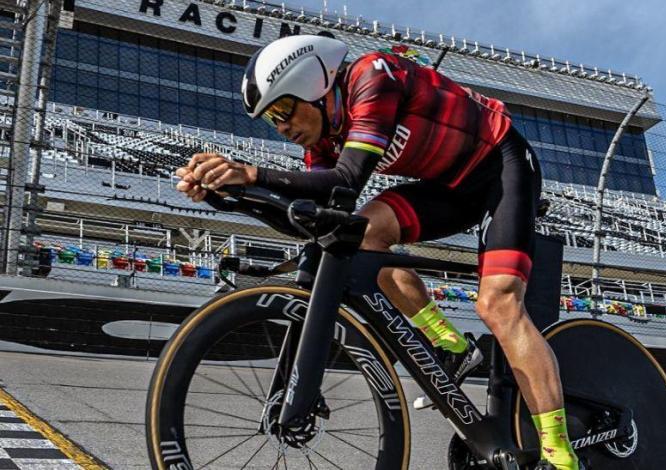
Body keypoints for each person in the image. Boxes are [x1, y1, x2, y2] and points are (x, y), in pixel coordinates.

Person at [176, 34, 579, 470]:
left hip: (500, 166)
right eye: (271, 119)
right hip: (447, 188)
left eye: (281, 109)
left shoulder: (372, 77)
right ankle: (452, 347)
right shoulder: (321, 142)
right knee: (360, 236)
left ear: (312, 83)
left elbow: (345, 180)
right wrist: (233, 195)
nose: (281, 126)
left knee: (498, 305)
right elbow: (320, 216)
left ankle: (561, 455)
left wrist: (251, 173)